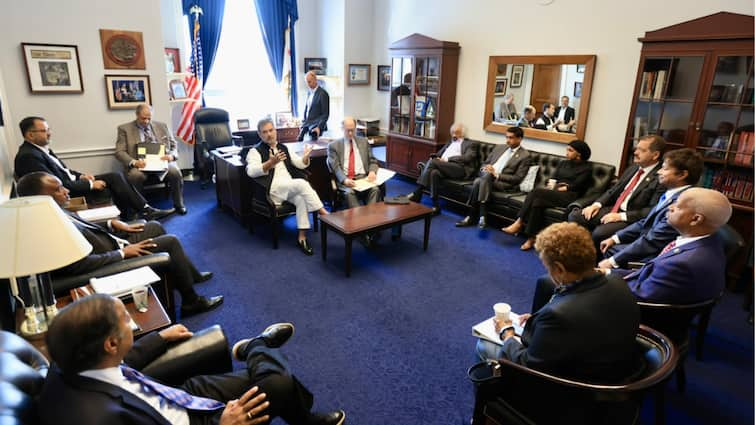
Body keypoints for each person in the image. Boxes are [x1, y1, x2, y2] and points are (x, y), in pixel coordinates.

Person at [38, 294, 346, 425]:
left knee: (270, 380)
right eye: (126, 321)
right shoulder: (99, 418)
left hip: (178, 395)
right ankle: (258, 345)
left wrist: (160, 337)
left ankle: (303, 418)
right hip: (195, 420)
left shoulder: (75, 360)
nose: (132, 324)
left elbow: (123, 361)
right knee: (276, 380)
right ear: (110, 342)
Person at [473, 223, 639, 421]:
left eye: (547, 266)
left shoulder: (560, 315)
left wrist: (507, 331)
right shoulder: (617, 282)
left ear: (559, 268)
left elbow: (527, 364)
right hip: (614, 375)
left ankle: (488, 413)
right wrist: (537, 320)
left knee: (484, 346)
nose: (548, 272)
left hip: (571, 394)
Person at [16, 172, 223, 317]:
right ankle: (191, 302)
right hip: (109, 259)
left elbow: (80, 225)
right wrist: (123, 254)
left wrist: (110, 222)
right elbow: (78, 266)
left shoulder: (52, 210)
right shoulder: (47, 228)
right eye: (58, 189)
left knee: (153, 226)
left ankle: (189, 275)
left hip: (109, 243)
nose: (66, 191)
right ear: (40, 197)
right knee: (170, 241)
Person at [14, 116, 173, 220]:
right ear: (30, 135)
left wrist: (82, 176)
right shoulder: (29, 156)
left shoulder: (41, 149)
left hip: (72, 183)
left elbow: (64, 172)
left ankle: (140, 210)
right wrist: (90, 184)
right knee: (110, 184)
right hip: (67, 192)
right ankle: (138, 212)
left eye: (48, 130)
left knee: (115, 176)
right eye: (44, 131)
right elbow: (56, 186)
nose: (49, 134)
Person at [600, 188, 732, 304]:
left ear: (696, 219)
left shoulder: (681, 264)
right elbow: (649, 274)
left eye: (678, 207)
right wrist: (607, 272)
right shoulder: (710, 241)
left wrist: (601, 282)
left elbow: (639, 295)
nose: (670, 207)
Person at [597, 148, 702, 269]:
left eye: (665, 169)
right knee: (609, 244)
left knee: (611, 252)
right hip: (648, 241)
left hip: (657, 256)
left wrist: (612, 261)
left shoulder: (682, 203)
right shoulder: (671, 193)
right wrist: (616, 238)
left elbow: (653, 241)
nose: (659, 172)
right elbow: (645, 222)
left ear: (682, 175)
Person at [247, 118, 328, 256]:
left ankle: (301, 238)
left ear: (275, 131)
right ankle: (325, 215)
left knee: (301, 199)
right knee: (301, 184)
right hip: (272, 188)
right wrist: (270, 163)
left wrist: (305, 157)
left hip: (288, 187)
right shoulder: (255, 151)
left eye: (271, 130)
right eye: (265, 132)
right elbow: (251, 171)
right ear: (260, 135)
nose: (269, 134)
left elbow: (300, 164)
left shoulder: (284, 148)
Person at [568, 135, 665, 246]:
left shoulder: (660, 177)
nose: (635, 152)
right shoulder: (633, 167)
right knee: (575, 216)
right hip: (614, 208)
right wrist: (596, 205)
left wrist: (620, 217)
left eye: (642, 150)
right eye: (636, 148)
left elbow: (651, 210)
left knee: (600, 233)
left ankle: (591, 260)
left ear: (655, 155)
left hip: (630, 217)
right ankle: (576, 252)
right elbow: (613, 190)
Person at [502, 140, 593, 250]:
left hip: (570, 196)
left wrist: (566, 187)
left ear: (579, 153)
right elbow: (553, 177)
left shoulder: (587, 168)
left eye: (570, 150)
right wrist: (551, 183)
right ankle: (532, 238)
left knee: (536, 192)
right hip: (556, 191)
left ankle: (519, 222)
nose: (567, 153)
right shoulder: (564, 163)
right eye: (567, 149)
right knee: (537, 203)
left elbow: (578, 185)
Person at [115, 104, 187, 215]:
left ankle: (179, 204)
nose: (146, 121)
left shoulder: (162, 126)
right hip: (140, 164)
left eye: (149, 118)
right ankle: (140, 209)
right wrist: (134, 162)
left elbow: (174, 146)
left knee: (175, 172)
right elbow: (119, 152)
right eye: (143, 118)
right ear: (137, 115)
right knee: (135, 176)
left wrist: (171, 156)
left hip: (161, 162)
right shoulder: (124, 129)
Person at [456, 127, 531, 229]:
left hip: (502, 182)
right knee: (485, 176)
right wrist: (485, 168)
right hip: (487, 177)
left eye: (511, 138)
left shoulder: (525, 156)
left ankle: (471, 215)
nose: (507, 140)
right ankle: (482, 216)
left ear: (520, 139)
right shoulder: (499, 148)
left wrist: (497, 175)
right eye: (507, 137)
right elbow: (485, 163)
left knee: (478, 181)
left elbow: (518, 178)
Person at [406, 122, 478, 214]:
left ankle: (418, 192)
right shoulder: (450, 142)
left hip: (459, 169)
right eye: (452, 132)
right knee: (434, 173)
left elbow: (467, 158)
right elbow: (439, 154)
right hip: (445, 167)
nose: (454, 135)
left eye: (457, 132)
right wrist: (435, 157)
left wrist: (447, 159)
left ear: (462, 133)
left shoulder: (470, 144)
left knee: (432, 163)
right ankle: (436, 206)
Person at [298, 71, 330, 141]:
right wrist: (303, 122)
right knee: (299, 140)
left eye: (309, 82)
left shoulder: (323, 94)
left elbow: (325, 114)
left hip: (317, 126)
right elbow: (307, 109)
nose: (308, 84)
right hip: (307, 124)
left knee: (314, 146)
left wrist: (319, 127)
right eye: (307, 82)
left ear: (315, 80)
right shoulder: (309, 93)